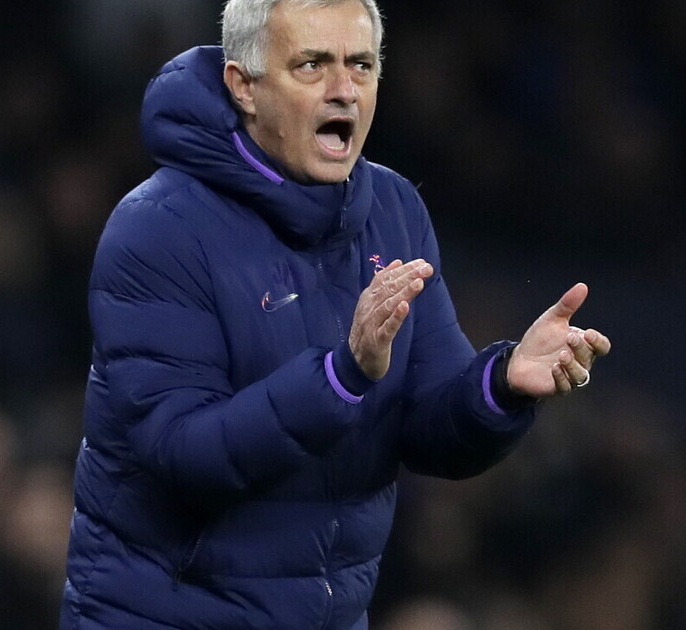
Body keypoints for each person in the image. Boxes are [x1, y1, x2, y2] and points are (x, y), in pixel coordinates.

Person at [60, 1, 611, 628]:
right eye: (312, 65)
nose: (344, 89)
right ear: (244, 86)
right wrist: (340, 377)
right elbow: (182, 455)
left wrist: (502, 383)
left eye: (362, 65)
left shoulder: (394, 209)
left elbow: (428, 427)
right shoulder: (159, 230)